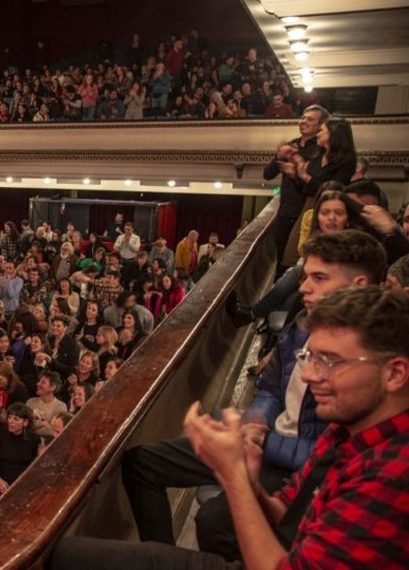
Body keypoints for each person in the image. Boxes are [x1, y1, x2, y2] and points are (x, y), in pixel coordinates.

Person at [61, 286, 409, 569]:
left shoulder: (394, 474)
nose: (309, 375)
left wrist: (232, 477)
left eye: (330, 361)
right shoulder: (346, 430)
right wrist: (246, 476)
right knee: (64, 555)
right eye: (309, 357)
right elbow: (285, 514)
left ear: (394, 373)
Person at [122, 229, 386, 558]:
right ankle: (162, 559)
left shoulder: (369, 358)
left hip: (289, 462)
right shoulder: (303, 322)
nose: (304, 287)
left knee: (212, 522)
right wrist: (254, 423)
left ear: (359, 286)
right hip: (266, 442)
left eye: (319, 278)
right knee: (141, 462)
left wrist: (257, 444)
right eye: (305, 276)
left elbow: (331, 453)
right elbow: (272, 388)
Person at [264, 105, 328, 265]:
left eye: (310, 119)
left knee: (295, 260)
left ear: (320, 125)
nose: (303, 121)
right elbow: (268, 174)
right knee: (279, 259)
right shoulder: (292, 145)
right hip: (285, 212)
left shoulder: (320, 150)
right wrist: (278, 156)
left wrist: (296, 174)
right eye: (303, 118)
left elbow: (316, 186)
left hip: (305, 213)